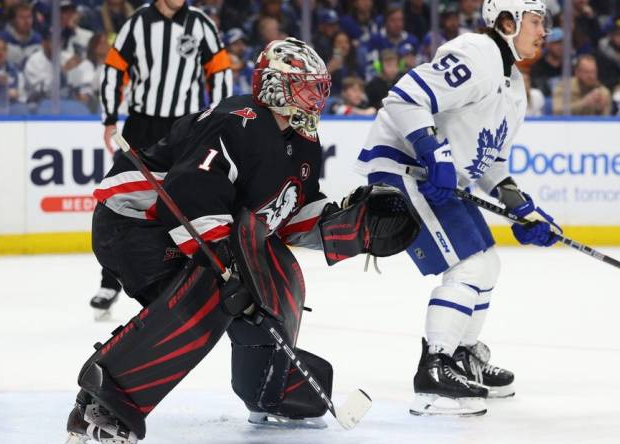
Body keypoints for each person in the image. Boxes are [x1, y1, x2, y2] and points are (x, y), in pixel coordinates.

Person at [65, 37, 418, 443]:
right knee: (212, 291)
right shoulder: (238, 120)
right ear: (275, 85)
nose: (316, 96)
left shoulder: (303, 143)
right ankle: (103, 403)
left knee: (279, 273)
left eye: (319, 87)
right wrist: (229, 269)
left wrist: (348, 225)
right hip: (134, 222)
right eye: (306, 85)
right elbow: (189, 191)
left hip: (192, 227)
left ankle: (270, 386)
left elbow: (281, 216)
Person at [355, 0, 561, 416]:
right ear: (508, 22)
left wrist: (521, 207)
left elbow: (491, 162)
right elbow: (404, 99)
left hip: (430, 176)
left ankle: (463, 357)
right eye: (537, 22)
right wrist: (433, 151)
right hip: (403, 168)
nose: (545, 32)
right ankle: (434, 373)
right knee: (469, 266)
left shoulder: (515, 88)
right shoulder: (476, 54)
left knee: (487, 263)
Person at [89, 0, 233, 318]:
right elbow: (114, 70)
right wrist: (109, 118)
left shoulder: (201, 25)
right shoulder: (137, 23)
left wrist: (219, 119)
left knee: (181, 198)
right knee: (123, 201)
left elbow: (220, 72)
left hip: (184, 126)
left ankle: (179, 274)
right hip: (142, 123)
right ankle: (110, 281)